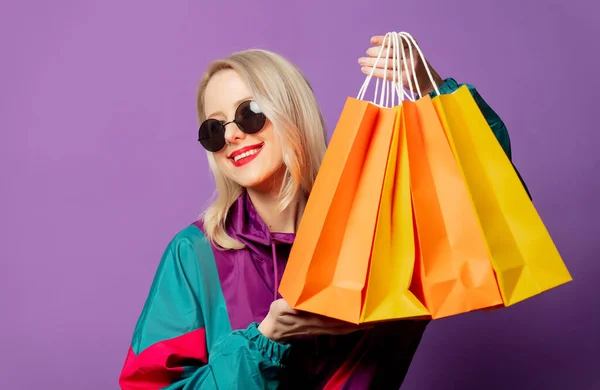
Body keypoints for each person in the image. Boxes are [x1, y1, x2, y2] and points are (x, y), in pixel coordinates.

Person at [118, 34, 526, 389]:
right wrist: (266, 340)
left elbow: (485, 194)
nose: (232, 134)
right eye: (214, 128)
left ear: (292, 113)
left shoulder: (380, 229)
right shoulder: (196, 255)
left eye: (249, 113)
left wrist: (433, 91)